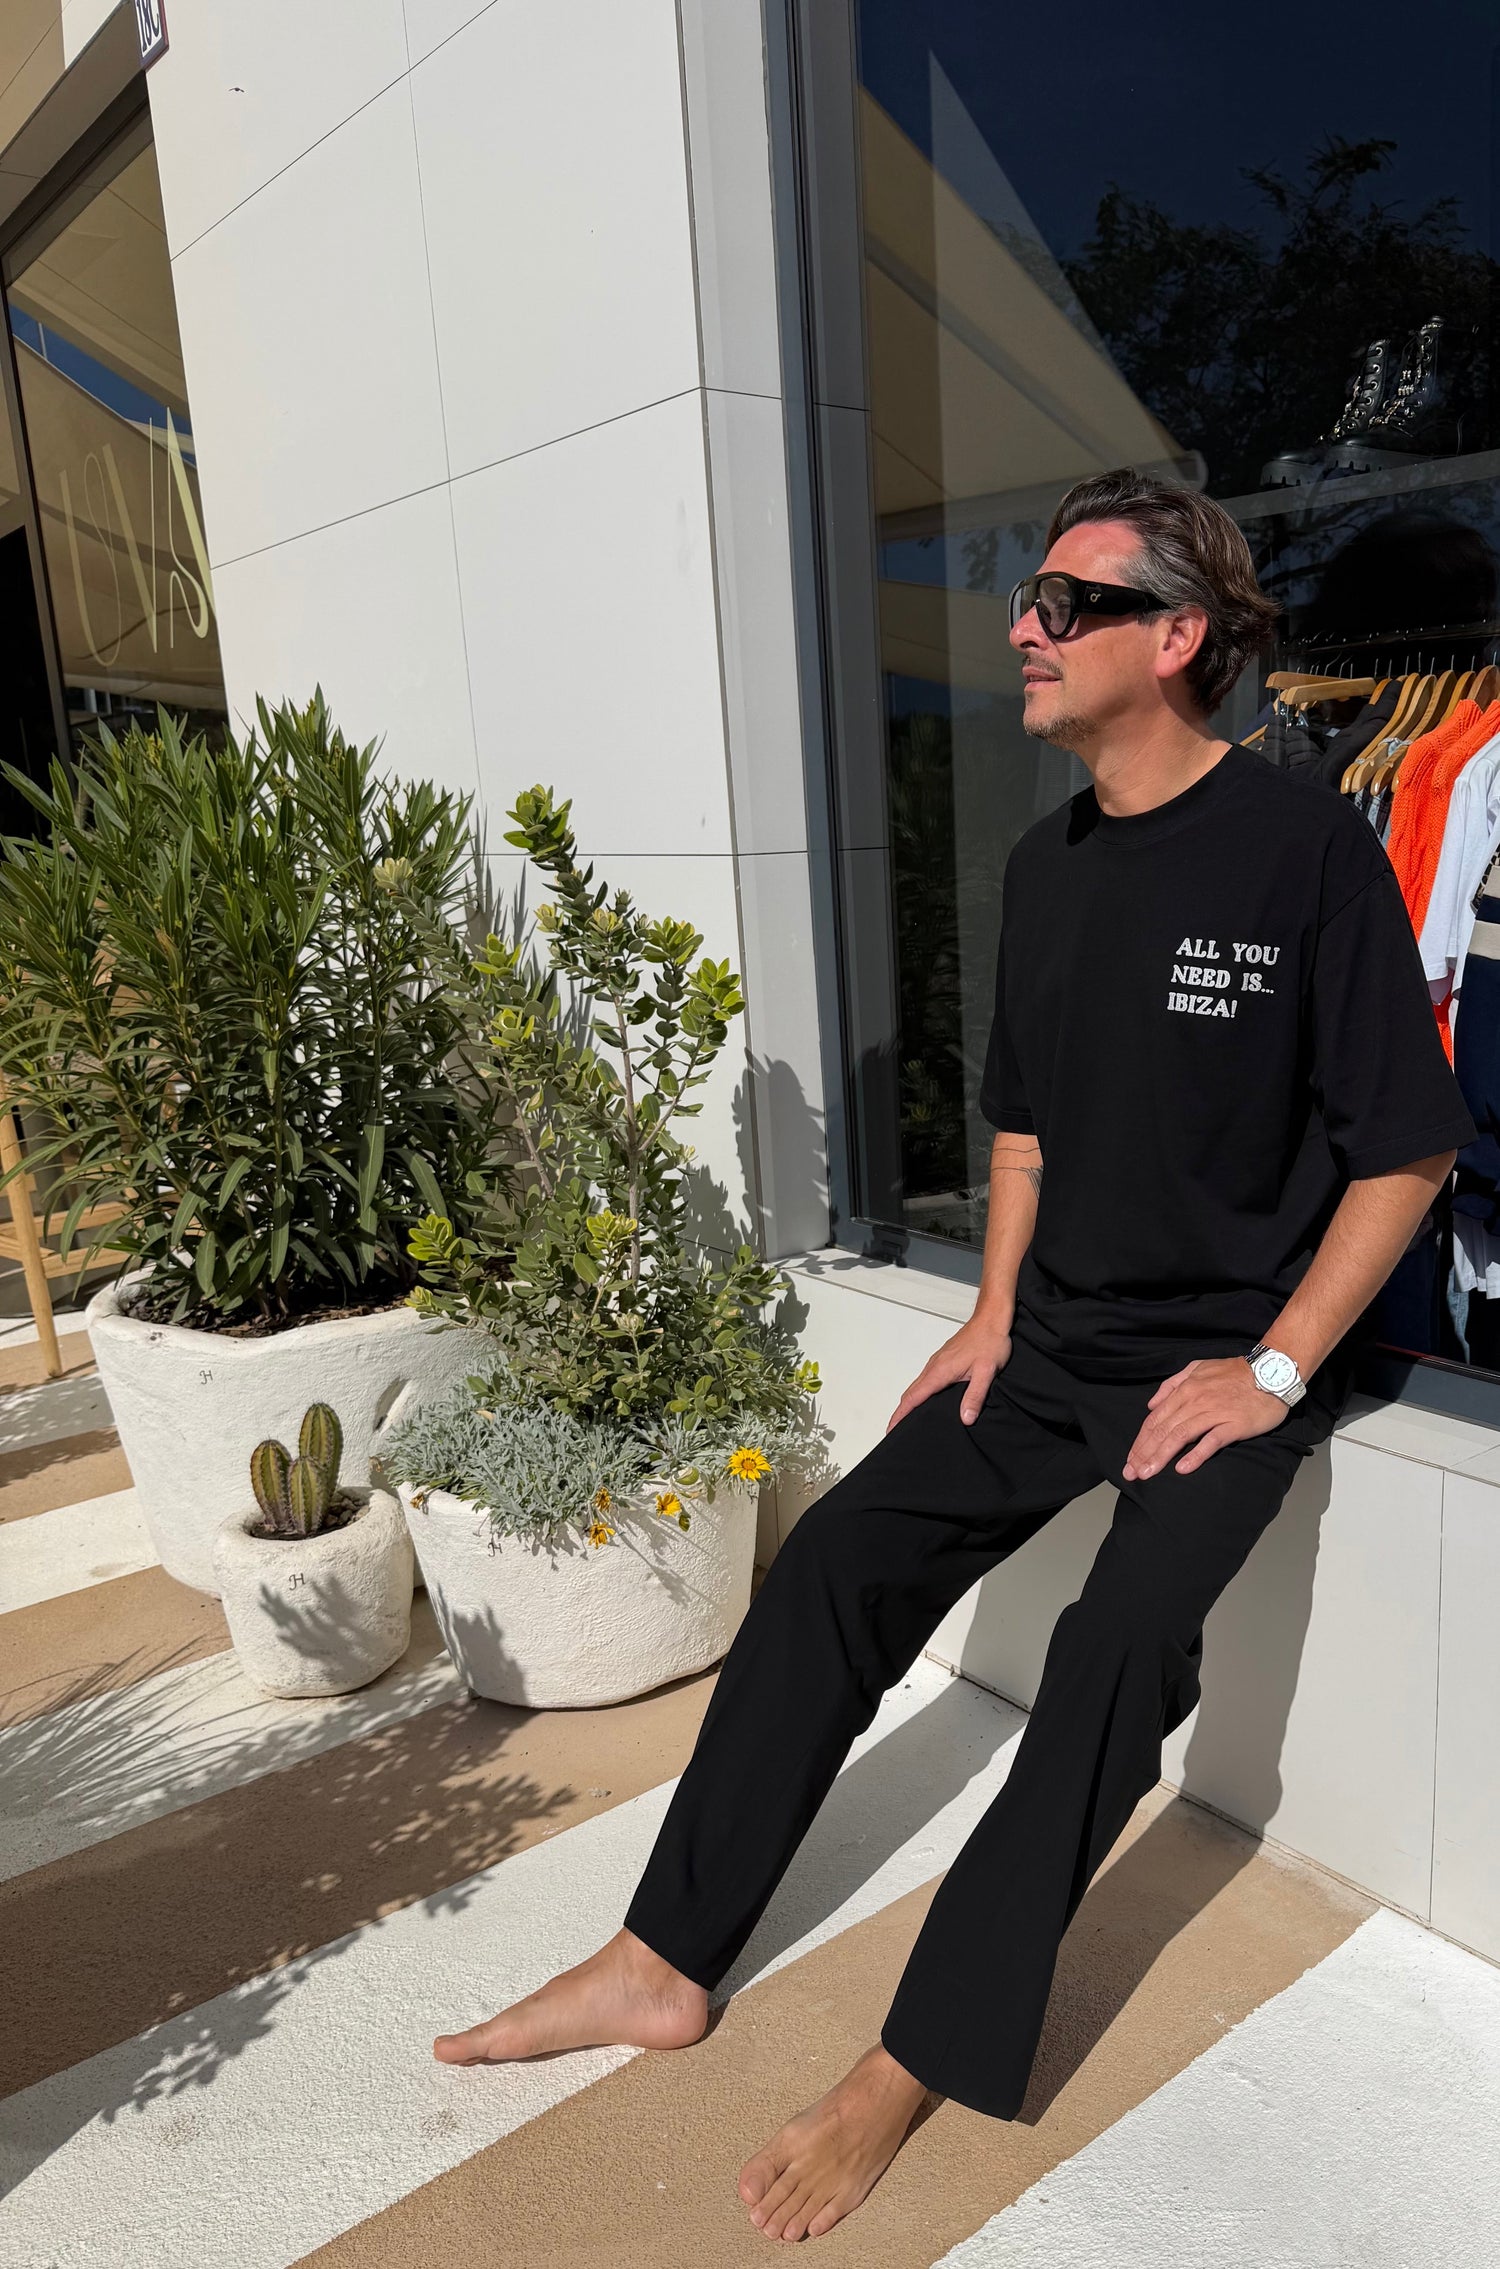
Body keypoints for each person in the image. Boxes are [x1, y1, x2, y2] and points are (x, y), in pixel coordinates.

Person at [430, 470, 1479, 2243]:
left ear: (1179, 634)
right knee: (840, 1556)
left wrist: (1276, 1373)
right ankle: (663, 1955)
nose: (1023, 629)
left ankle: (911, 2059)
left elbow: (1407, 1151)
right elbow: (1023, 1130)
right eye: (1029, 601)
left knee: (1117, 1651)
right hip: (1054, 1342)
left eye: (1066, 603)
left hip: (1224, 1365)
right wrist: (990, 1311)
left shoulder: (1305, 850)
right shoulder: (1045, 866)